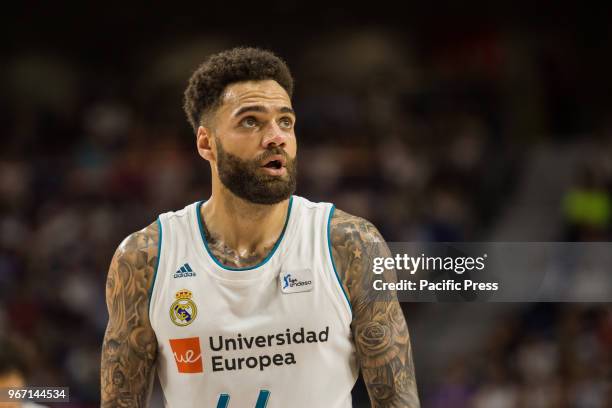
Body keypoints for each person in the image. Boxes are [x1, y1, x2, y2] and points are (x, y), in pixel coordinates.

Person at [100, 47, 420, 407]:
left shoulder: (350, 245)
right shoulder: (146, 258)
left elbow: (397, 400)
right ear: (206, 143)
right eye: (250, 121)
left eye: (285, 121)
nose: (276, 137)